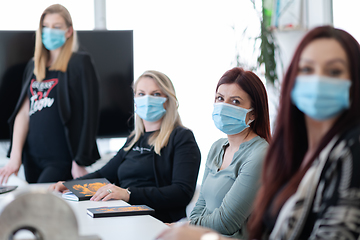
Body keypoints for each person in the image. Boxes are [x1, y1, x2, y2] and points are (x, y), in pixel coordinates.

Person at [157, 25, 360, 240]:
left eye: (334, 71)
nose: (318, 81)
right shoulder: (295, 152)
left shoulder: (351, 150)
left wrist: (200, 236)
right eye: (307, 70)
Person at [50, 70, 201, 223]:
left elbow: (182, 193)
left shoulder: (182, 137)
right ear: (135, 100)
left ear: (167, 100)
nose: (147, 99)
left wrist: (128, 194)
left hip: (159, 220)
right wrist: (70, 185)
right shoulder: (134, 139)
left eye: (155, 94)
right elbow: (104, 174)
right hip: (124, 213)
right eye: (141, 94)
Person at [0, 4, 100, 184]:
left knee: (40, 205)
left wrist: (80, 159)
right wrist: (15, 158)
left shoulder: (80, 62)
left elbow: (90, 114)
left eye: (56, 27)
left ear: (69, 31)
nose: (49, 31)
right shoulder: (33, 65)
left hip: (61, 159)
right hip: (32, 158)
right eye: (45, 26)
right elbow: (23, 113)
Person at [188, 67, 270, 239]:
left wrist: (189, 227)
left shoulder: (260, 154)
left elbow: (226, 223)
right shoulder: (217, 147)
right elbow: (198, 208)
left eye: (235, 102)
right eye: (220, 98)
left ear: (253, 114)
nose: (223, 106)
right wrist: (190, 226)